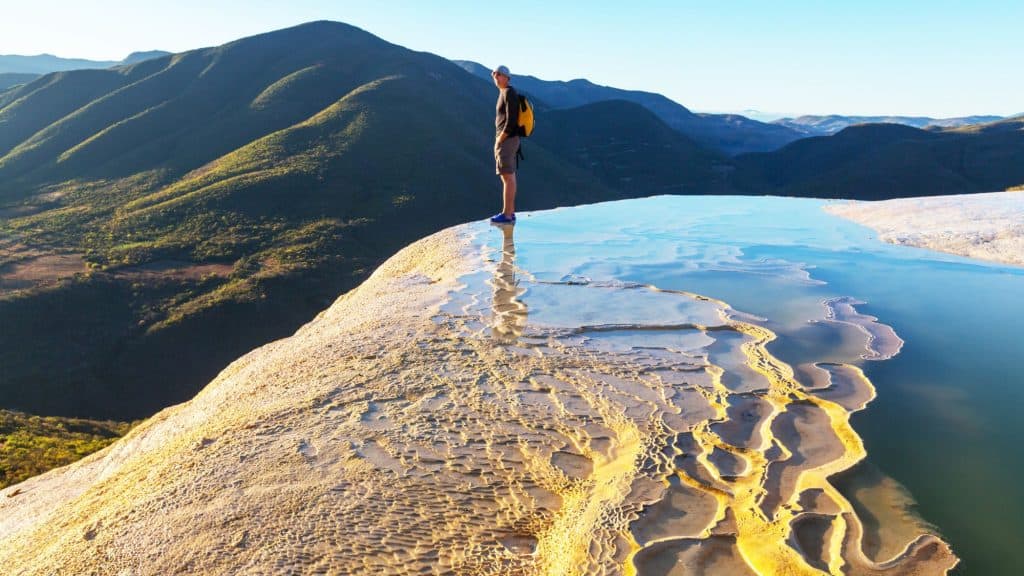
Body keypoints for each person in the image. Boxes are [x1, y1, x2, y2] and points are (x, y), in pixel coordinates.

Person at [490, 65, 520, 224]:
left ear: (507, 77)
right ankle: (510, 212)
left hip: (507, 140)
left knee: (507, 177)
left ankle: (507, 214)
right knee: (508, 176)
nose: (495, 76)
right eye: (494, 73)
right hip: (509, 139)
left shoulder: (509, 93)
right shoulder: (505, 93)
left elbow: (512, 119)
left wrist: (501, 138)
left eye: (499, 74)